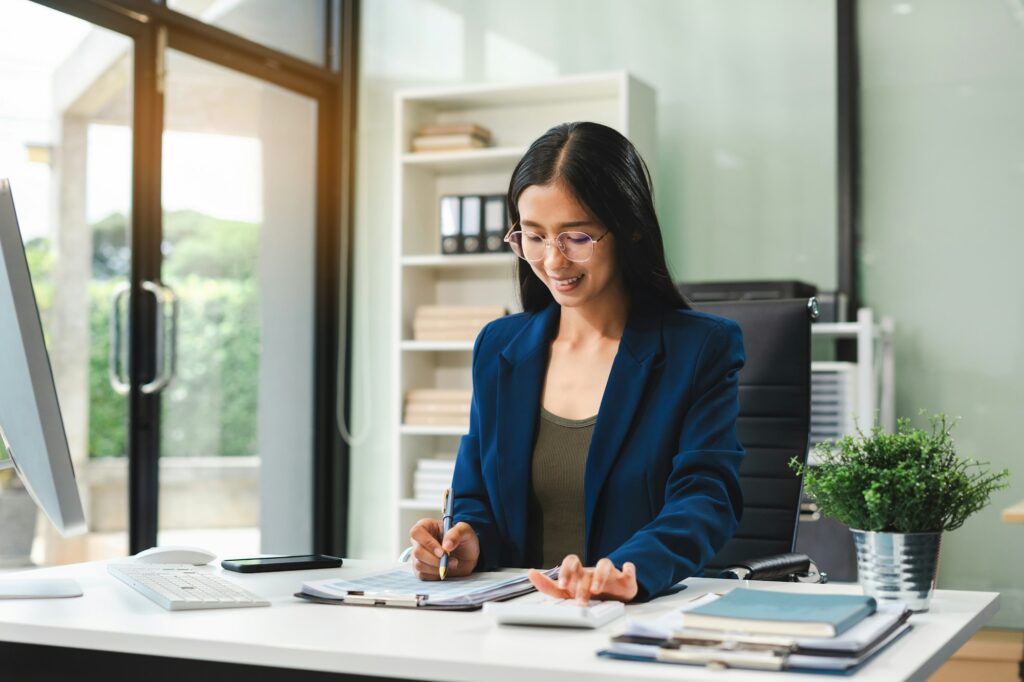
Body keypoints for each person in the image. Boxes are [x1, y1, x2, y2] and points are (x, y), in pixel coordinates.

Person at [408, 121, 745, 603]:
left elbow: (706, 496)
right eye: (534, 236)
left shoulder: (699, 350)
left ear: (629, 228)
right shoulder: (499, 348)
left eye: (576, 237)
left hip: (632, 621)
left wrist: (631, 570)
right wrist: (468, 542)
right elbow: (476, 494)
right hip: (513, 621)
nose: (553, 261)